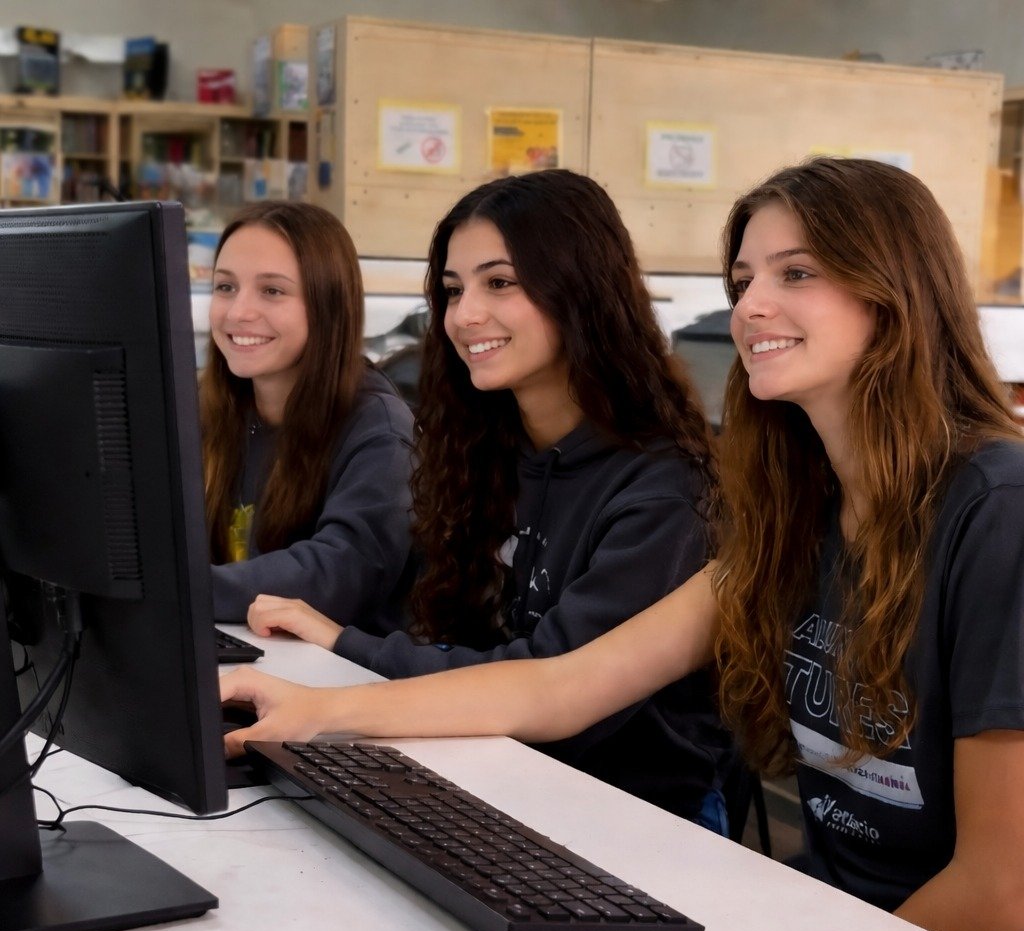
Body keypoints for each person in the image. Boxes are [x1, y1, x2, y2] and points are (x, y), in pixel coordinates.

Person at [223, 158, 1024, 931]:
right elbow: (564, 684)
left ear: (897, 290)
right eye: (742, 278)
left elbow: (1001, 889)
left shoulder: (997, 508)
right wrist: (314, 711)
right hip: (828, 925)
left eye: (798, 273)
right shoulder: (800, 508)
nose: (750, 306)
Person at [242, 169, 733, 829]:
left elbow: (550, 690)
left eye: (500, 282)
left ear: (581, 290)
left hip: (635, 820)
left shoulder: (667, 486)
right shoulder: (486, 450)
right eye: (453, 289)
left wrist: (346, 645)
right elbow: (457, 641)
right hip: (494, 776)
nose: (464, 314)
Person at [202, 200, 415, 633]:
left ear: (327, 306)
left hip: (342, 681)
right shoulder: (208, 408)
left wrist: (179, 593)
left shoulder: (379, 428)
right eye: (225, 287)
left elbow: (338, 574)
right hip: (245, 649)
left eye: (272, 291)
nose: (238, 311)